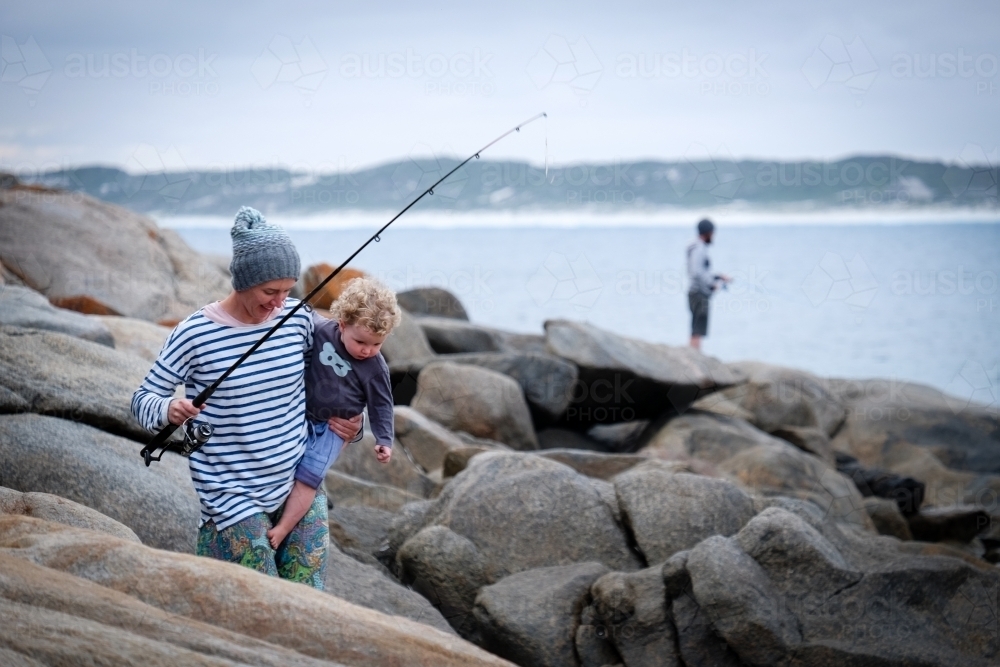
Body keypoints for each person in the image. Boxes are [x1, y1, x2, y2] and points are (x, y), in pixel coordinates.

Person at [131, 206, 361, 590]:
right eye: (269, 292)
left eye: (287, 291)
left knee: (309, 604)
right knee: (263, 607)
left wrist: (352, 422)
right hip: (232, 496)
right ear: (242, 281)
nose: (278, 303)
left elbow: (341, 376)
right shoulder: (194, 334)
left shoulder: (299, 319)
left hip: (297, 485)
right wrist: (168, 409)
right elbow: (142, 399)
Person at [267, 277, 400, 548]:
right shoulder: (322, 330)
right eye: (361, 341)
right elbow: (301, 314)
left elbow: (382, 404)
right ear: (341, 324)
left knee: (309, 478)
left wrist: (384, 440)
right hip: (302, 415)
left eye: (377, 344)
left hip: (333, 431)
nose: (368, 350)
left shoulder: (376, 367)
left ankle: (282, 529)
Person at [686, 218, 730, 351]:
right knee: (698, 329)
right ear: (707, 233)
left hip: (696, 292)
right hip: (699, 293)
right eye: (712, 233)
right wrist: (712, 284)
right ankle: (695, 356)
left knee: (696, 327)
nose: (713, 236)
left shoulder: (695, 246)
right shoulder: (699, 248)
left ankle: (694, 354)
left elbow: (701, 271)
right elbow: (697, 272)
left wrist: (718, 276)